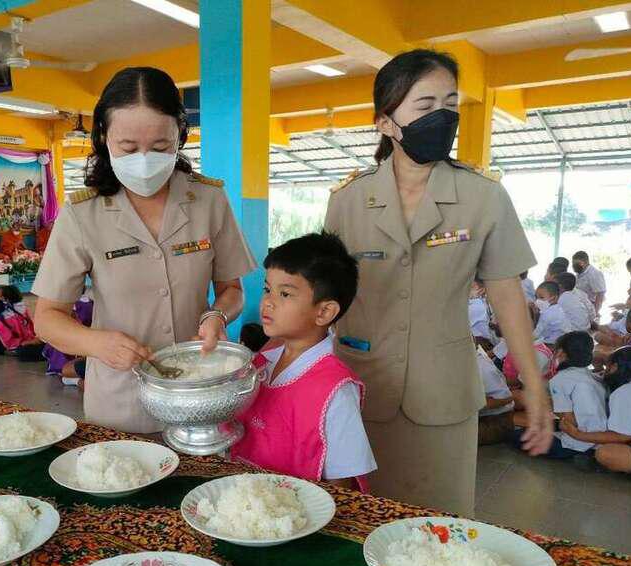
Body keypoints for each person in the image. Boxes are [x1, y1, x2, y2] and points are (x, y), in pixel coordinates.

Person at [324, 49, 551, 515]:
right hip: (362, 383)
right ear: (386, 122)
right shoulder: (348, 200)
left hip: (444, 391)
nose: (442, 117)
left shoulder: (483, 196)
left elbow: (507, 296)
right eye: (425, 106)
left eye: (449, 104)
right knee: (360, 516)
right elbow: (326, 295)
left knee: (441, 521)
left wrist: (533, 384)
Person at [33, 67, 256, 433]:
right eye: (128, 147)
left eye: (161, 147)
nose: (144, 160)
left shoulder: (208, 200)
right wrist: (96, 344)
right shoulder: (82, 214)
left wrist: (216, 316)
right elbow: (47, 318)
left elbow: (233, 290)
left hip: (198, 395)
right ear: (103, 136)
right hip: (121, 400)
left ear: (180, 136)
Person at [229, 233, 376, 489]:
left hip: (297, 509)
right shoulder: (259, 363)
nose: (268, 302)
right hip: (240, 496)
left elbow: (342, 484)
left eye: (285, 294)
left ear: (324, 312)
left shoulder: (335, 389)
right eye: (267, 289)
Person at [562, 347, 631, 483]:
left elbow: (621, 436)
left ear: (615, 367)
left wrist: (577, 434)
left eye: (607, 367)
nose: (605, 372)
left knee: (605, 453)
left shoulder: (627, 391)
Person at [516, 331, 607, 461]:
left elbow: (568, 420)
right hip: (599, 436)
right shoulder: (591, 376)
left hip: (578, 442)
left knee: (517, 436)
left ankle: (580, 455)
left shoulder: (560, 380)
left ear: (560, 353)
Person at [533, 281, 572, 347]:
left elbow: (537, 333)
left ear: (554, 298)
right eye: (536, 297)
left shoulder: (548, 313)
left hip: (553, 344)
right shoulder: (557, 308)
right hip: (562, 340)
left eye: (541, 297)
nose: (537, 301)